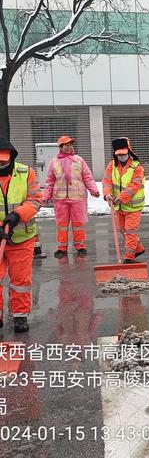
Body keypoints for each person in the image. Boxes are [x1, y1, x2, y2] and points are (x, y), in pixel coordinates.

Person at [0, 137, 43, 332]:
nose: (1, 164)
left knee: (20, 280)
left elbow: (35, 200)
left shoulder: (26, 173)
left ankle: (20, 316)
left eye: (3, 161)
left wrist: (17, 214)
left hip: (21, 238)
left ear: (11, 156)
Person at [44, 135, 100, 258]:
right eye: (66, 145)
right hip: (60, 198)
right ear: (60, 147)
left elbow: (87, 177)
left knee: (78, 224)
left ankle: (80, 247)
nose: (69, 147)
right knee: (62, 225)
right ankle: (61, 248)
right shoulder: (54, 162)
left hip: (77, 197)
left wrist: (93, 190)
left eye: (70, 145)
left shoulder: (79, 160)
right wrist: (46, 195)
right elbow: (50, 181)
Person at [102, 137, 145, 264]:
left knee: (130, 231)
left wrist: (121, 198)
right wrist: (107, 194)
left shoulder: (137, 168)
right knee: (123, 230)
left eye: (124, 154)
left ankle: (129, 257)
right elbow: (107, 181)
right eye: (119, 154)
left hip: (133, 207)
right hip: (118, 207)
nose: (121, 157)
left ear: (129, 152)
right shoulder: (111, 165)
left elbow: (134, 186)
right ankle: (138, 248)